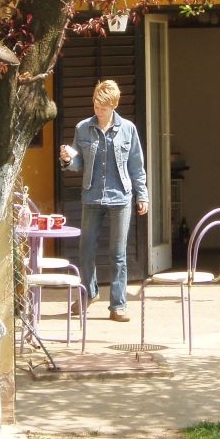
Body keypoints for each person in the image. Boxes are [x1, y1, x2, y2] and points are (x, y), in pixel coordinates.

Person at [60, 80, 149, 322]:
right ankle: (89, 293)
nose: (98, 111)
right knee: (86, 250)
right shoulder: (83, 128)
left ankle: (118, 306)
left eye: (103, 108)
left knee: (118, 254)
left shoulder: (128, 129)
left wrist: (142, 195)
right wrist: (67, 159)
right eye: (96, 106)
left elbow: (137, 166)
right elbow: (78, 163)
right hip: (91, 196)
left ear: (114, 105)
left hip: (121, 197)